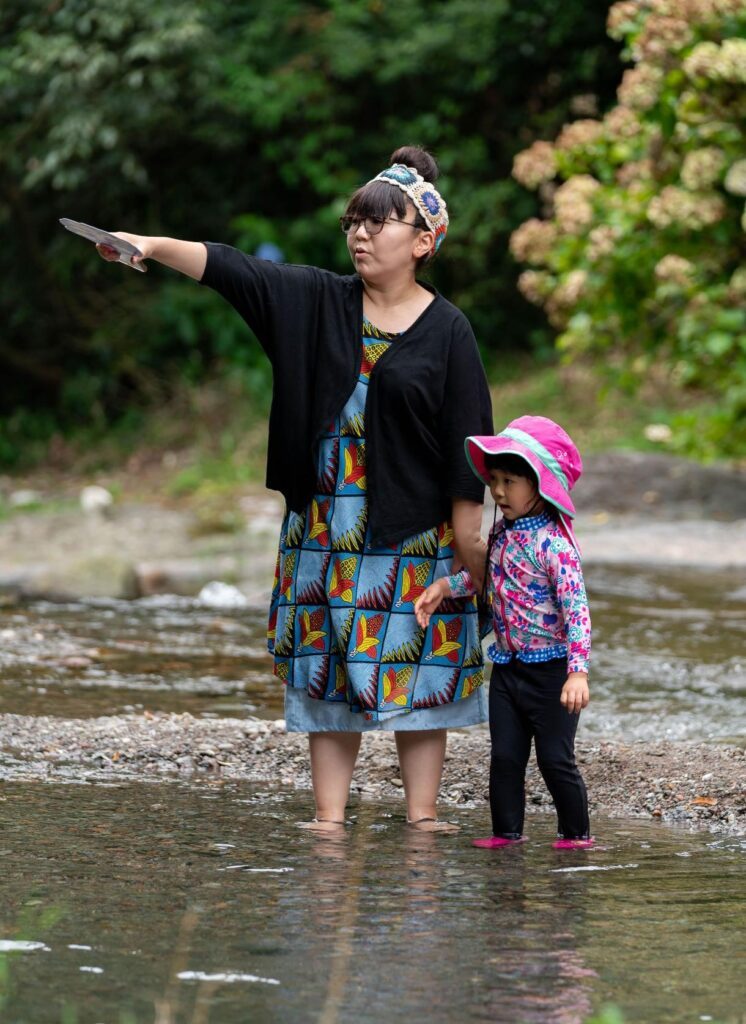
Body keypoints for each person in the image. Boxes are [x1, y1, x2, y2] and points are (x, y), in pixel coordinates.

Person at [97, 146, 493, 834]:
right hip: (322, 532)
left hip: (415, 537)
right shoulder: (315, 301)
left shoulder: (450, 332)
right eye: (354, 223)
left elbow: (468, 457)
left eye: (380, 223)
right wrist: (149, 245)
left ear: (425, 241)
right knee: (329, 671)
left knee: (422, 676)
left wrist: (475, 562)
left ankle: (423, 820)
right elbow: (232, 269)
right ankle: (328, 823)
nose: (361, 235)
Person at [414, 415, 594, 850]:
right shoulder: (500, 534)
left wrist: (578, 672)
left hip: (552, 675)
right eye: (493, 480)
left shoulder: (555, 545)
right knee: (505, 758)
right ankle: (506, 834)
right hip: (508, 671)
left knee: (555, 760)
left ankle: (576, 836)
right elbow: (487, 580)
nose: (497, 491)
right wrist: (444, 587)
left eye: (509, 481)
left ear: (541, 486)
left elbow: (577, 612)